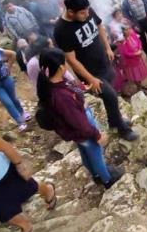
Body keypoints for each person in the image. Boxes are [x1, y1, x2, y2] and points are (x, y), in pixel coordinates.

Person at [53, 0, 138, 141]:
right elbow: (72, 61)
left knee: (111, 92)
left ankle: (113, 121)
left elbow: (100, 27)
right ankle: (123, 130)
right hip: (89, 72)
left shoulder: (87, 10)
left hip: (103, 62)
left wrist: (107, 48)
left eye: (87, 11)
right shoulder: (61, 30)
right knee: (111, 97)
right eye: (82, 13)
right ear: (70, 12)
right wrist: (91, 79)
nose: (86, 15)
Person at [37, 48, 122, 187]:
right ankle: (107, 180)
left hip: (75, 131)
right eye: (65, 63)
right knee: (96, 155)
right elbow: (79, 123)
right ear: (60, 67)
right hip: (83, 130)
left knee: (86, 152)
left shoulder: (52, 85)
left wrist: (81, 92)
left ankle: (95, 175)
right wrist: (97, 135)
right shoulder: (61, 96)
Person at [116, 21, 147, 90]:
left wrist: (140, 49)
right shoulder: (123, 41)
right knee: (136, 76)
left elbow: (139, 41)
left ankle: (141, 86)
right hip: (131, 63)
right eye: (126, 29)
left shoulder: (133, 35)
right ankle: (139, 89)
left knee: (139, 75)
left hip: (138, 59)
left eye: (129, 28)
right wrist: (136, 53)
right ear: (123, 31)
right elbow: (126, 53)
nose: (128, 30)